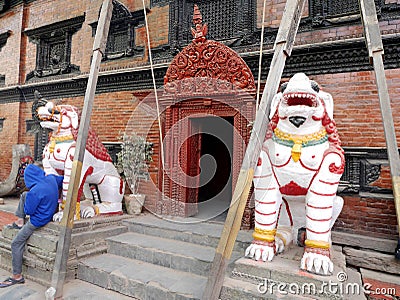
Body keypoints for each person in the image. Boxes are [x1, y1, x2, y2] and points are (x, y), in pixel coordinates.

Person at [0, 164, 63, 287]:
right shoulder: (51, 179)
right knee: (24, 195)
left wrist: (31, 200)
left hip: (39, 220)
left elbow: (29, 211)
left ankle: (17, 276)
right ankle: (20, 222)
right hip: (50, 210)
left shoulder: (35, 192)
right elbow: (62, 180)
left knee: (16, 243)